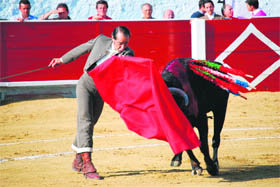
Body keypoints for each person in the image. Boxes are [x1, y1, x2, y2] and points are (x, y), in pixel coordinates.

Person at [48, 26, 134, 180]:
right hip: (86, 84)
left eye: (126, 43)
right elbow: (82, 49)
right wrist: (62, 60)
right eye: (120, 43)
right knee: (85, 121)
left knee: (90, 122)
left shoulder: (128, 54)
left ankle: (78, 159)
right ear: (112, 39)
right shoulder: (101, 40)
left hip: (102, 90)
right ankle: (88, 164)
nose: (122, 47)